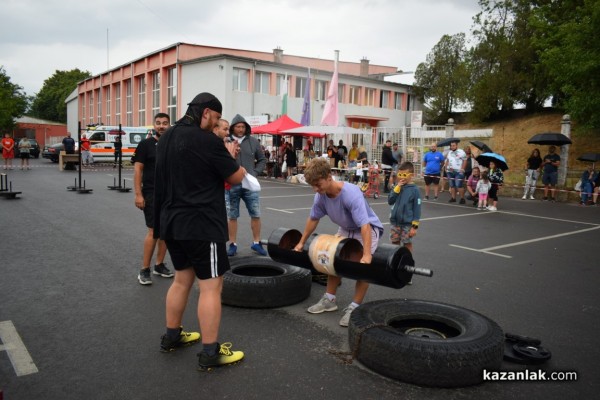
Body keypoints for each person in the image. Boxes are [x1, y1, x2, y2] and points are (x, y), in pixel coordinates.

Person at [154, 92, 246, 369]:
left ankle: (172, 336)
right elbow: (235, 176)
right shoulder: (208, 140)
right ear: (206, 113)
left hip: (170, 222)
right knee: (211, 287)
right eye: (217, 118)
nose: (217, 124)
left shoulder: (167, 136)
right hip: (202, 224)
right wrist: (231, 156)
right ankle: (210, 352)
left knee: (181, 279)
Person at [293, 158, 384, 327]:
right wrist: (300, 242)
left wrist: (367, 254)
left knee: (362, 268)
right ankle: (330, 299)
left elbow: (364, 225)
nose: (315, 189)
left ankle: (355, 306)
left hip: (366, 229)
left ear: (329, 177)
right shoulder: (320, 196)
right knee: (332, 259)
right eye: (312, 185)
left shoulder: (351, 193)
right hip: (346, 228)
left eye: (318, 184)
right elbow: (313, 219)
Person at [133, 112, 173, 285]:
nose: (161, 126)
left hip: (170, 194)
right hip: (151, 193)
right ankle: (144, 269)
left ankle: (159, 265)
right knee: (153, 232)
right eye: (158, 123)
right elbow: (137, 170)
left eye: (165, 123)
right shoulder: (145, 145)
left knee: (165, 232)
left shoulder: (173, 145)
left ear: (169, 125)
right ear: (154, 125)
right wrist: (138, 194)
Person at [225, 114, 268, 257]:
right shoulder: (226, 141)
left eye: (243, 126)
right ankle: (232, 244)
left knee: (255, 213)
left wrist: (255, 173)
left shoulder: (253, 142)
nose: (241, 129)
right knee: (232, 215)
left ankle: (256, 242)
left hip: (250, 183)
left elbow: (262, 159)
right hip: (232, 183)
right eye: (238, 126)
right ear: (232, 127)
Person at [388, 162, 421, 255]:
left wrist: (414, 227)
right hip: (395, 222)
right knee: (394, 243)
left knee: (407, 244)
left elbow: (417, 209)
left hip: (407, 224)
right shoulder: (397, 186)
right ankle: (395, 262)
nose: (401, 177)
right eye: (400, 174)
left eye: (404, 175)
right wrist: (397, 188)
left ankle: (408, 263)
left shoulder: (415, 190)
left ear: (411, 175)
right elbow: (390, 200)